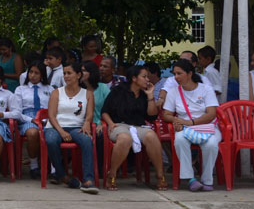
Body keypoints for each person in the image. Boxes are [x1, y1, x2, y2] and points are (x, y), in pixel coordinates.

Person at [100, 65, 167, 190]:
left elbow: (152, 116)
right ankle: (112, 174)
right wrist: (110, 123)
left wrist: (150, 96)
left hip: (139, 126)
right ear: (134, 78)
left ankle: (160, 175)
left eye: (147, 76)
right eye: (144, 76)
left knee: (151, 136)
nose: (147, 79)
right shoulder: (118, 91)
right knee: (125, 138)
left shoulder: (144, 94)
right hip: (119, 125)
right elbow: (105, 111)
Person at [162, 58, 221, 192]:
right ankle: (190, 179)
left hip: (207, 127)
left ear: (189, 74)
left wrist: (191, 122)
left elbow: (211, 114)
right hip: (185, 128)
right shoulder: (173, 92)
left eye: (179, 73)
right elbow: (166, 115)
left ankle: (207, 180)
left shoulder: (206, 89)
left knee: (211, 144)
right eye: (174, 74)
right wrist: (176, 121)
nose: (176, 77)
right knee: (180, 140)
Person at [45, 61, 99, 193]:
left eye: (69, 73)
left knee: (87, 140)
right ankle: (63, 175)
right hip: (55, 126)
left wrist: (87, 122)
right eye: (64, 73)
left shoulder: (87, 94)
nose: (66, 76)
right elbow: (51, 116)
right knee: (51, 140)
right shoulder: (57, 92)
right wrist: (62, 132)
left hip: (76, 127)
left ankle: (88, 180)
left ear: (78, 75)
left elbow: (90, 114)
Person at [15, 61, 52, 180]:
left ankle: (51, 165)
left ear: (42, 75)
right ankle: (34, 165)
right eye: (31, 72)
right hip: (27, 118)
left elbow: (53, 108)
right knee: (32, 133)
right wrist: (32, 120)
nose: (33, 75)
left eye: (36, 73)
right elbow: (17, 111)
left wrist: (46, 119)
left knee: (52, 134)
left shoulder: (50, 89)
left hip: (46, 118)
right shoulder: (20, 89)